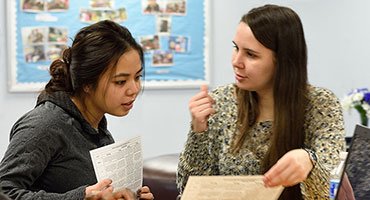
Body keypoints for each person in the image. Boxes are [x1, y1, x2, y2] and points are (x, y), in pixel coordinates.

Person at [177, 4, 345, 200]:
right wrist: (198, 132)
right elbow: (187, 188)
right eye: (235, 48)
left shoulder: (321, 104)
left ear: (282, 61)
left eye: (251, 54)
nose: (236, 61)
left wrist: (310, 161)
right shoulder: (220, 101)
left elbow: (330, 184)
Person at [0, 20, 154, 200]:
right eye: (120, 81)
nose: (134, 89)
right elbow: (4, 191)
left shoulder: (97, 128)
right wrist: (81, 196)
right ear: (87, 83)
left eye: (137, 77)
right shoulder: (44, 125)